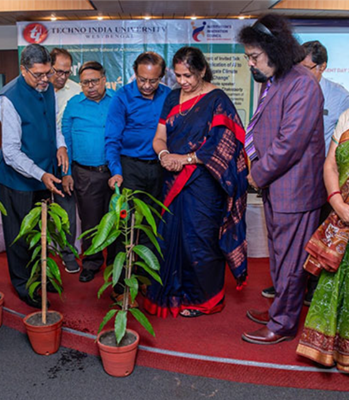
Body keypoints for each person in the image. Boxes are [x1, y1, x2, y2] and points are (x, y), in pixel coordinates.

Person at [238, 15, 326, 344]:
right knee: (278, 254)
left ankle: (283, 324)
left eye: (254, 56)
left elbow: (289, 144)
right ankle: (280, 308)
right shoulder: (275, 79)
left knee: (290, 261)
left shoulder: (303, 84)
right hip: (277, 185)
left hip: (295, 188)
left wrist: (257, 174)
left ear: (275, 50)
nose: (250, 63)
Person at [144, 47, 248, 318]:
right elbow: (159, 137)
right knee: (168, 238)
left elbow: (223, 146)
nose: (183, 81)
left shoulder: (217, 100)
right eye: (178, 76)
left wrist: (185, 159)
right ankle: (173, 293)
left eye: (188, 75)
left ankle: (203, 300)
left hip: (204, 182)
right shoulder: (172, 97)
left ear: (202, 71)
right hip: (171, 180)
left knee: (199, 241)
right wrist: (164, 155)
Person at [261, 40, 349, 303]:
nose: (299, 73)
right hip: (290, 175)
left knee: (318, 234)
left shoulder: (340, 97)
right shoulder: (286, 90)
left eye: (306, 67)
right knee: (289, 238)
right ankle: (286, 287)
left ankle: (312, 289)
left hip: (324, 178)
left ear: (322, 67)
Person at [296, 71, 349, 374]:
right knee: (340, 285)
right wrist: (336, 202)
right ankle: (338, 350)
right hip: (344, 218)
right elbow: (331, 165)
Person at [0, 44, 68, 308]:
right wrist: (40, 174)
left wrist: (61, 145)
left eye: (48, 73)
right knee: (20, 236)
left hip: (43, 175)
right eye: (38, 74)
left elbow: (53, 125)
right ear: (23, 69)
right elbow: (11, 152)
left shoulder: (47, 88)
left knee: (41, 231)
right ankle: (25, 287)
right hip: (17, 181)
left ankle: (41, 278)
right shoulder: (9, 99)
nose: (45, 79)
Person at [105, 52, 171, 299]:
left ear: (161, 77)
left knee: (151, 227)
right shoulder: (122, 96)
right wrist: (116, 171)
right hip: (130, 168)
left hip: (159, 168)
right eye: (142, 79)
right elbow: (112, 138)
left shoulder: (168, 96)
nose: (146, 85)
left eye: (153, 81)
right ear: (135, 73)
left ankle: (143, 280)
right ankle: (120, 287)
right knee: (126, 226)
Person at [62, 61, 114, 283]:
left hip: (114, 172)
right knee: (90, 222)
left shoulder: (117, 101)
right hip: (84, 173)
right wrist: (66, 172)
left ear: (104, 80)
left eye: (94, 81)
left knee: (115, 220)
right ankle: (91, 263)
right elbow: (65, 140)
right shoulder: (74, 104)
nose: (90, 86)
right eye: (85, 83)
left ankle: (115, 264)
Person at [49, 48, 81, 274]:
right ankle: (41, 251)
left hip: (66, 157)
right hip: (38, 157)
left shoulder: (76, 91)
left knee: (66, 205)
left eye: (67, 72)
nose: (62, 76)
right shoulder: (37, 88)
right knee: (37, 205)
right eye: (58, 71)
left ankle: (68, 253)